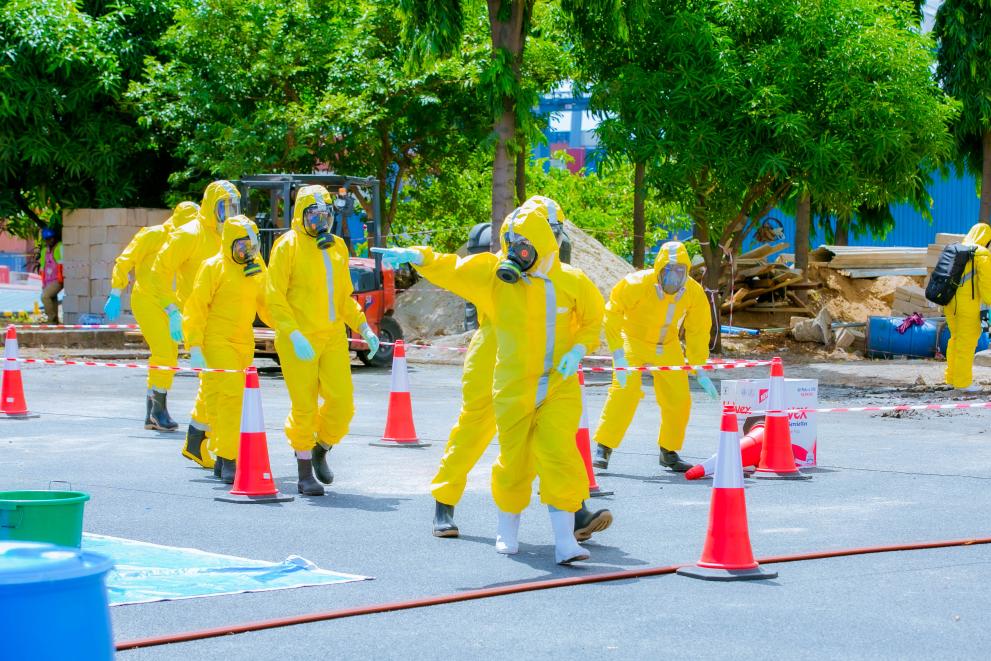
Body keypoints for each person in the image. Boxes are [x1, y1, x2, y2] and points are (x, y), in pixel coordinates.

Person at [375, 196, 605, 565]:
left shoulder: (562, 276)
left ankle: (574, 511)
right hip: (496, 349)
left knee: (555, 439)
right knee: (476, 424)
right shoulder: (497, 272)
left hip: (545, 362)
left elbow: (587, 317)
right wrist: (421, 256)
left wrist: (576, 348)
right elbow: (457, 269)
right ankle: (444, 501)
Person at [266, 184, 381, 496]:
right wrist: (292, 332)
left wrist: (363, 326)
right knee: (303, 408)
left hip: (331, 337)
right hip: (297, 339)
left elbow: (344, 298)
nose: (320, 222)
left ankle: (321, 448)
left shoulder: (337, 247)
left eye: (325, 215)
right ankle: (304, 471)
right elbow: (273, 297)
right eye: (313, 216)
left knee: (342, 404)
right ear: (301, 216)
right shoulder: (286, 246)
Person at [591, 241, 714, 472]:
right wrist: (618, 354)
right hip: (633, 340)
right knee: (625, 390)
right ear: (659, 268)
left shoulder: (693, 292)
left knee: (679, 398)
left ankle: (669, 451)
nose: (674, 278)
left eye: (680, 271)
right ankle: (604, 447)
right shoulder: (636, 283)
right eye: (669, 271)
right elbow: (613, 314)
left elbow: (698, 330)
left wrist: (699, 369)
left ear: (687, 271)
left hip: (667, 344)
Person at [150, 180, 241, 469]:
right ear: (210, 206)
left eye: (234, 207)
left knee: (213, 384)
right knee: (221, 384)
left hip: (227, 322)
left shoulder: (230, 236)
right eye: (224, 207)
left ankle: (196, 440)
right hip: (199, 323)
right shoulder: (189, 235)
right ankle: (216, 447)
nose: (229, 214)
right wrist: (172, 311)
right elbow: (158, 272)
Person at [183, 216, 272, 483]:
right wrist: (195, 346)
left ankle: (222, 458)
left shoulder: (256, 269)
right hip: (216, 341)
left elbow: (267, 306)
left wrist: (287, 327)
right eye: (242, 247)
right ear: (229, 244)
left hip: (243, 342)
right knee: (229, 398)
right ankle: (229, 458)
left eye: (252, 247)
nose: (247, 253)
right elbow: (195, 308)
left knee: (226, 402)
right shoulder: (213, 267)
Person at [105, 202, 200, 431]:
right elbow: (125, 259)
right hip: (146, 300)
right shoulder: (153, 234)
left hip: (167, 305)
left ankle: (152, 413)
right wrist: (116, 292)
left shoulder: (185, 241)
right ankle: (159, 410)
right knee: (165, 352)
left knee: (166, 354)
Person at [945, 222, 991, 392]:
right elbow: (988, 291)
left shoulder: (957, 249)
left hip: (949, 303)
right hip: (968, 306)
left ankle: (951, 378)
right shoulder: (981, 254)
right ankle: (963, 383)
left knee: (955, 340)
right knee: (967, 343)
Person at [39, 227, 63, 323]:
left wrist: (61, 279)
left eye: (51, 238)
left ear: (54, 238)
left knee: (45, 296)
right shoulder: (44, 251)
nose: (50, 241)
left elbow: (62, 264)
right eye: (48, 239)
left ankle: (51, 319)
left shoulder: (60, 247)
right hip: (48, 280)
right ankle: (55, 322)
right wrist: (43, 282)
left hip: (58, 279)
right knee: (52, 299)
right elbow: (42, 268)